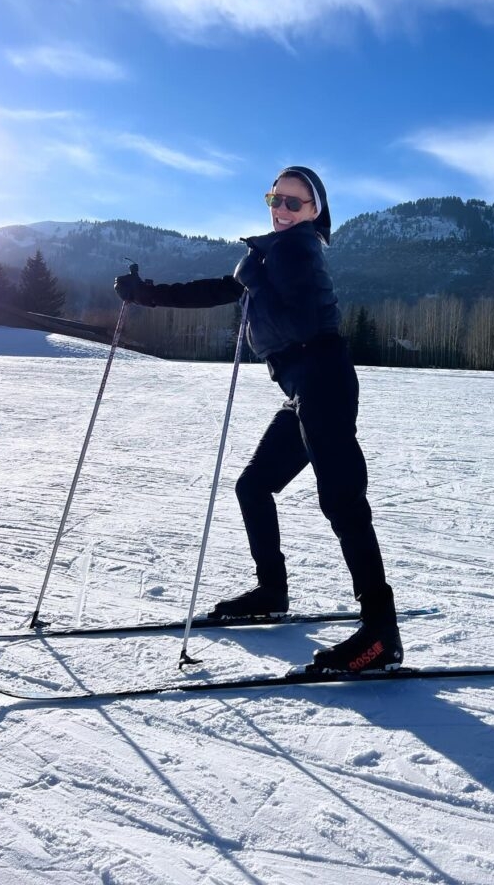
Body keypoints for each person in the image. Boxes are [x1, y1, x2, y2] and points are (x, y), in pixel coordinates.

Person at [115, 166, 402, 673]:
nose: (282, 210)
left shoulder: (296, 249)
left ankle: (381, 633)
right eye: (276, 199)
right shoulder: (271, 255)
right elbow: (217, 289)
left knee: (342, 500)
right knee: (253, 486)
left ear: (316, 213)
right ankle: (272, 590)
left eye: (295, 203)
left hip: (324, 379)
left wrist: (256, 274)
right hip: (302, 388)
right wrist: (149, 293)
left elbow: (295, 310)